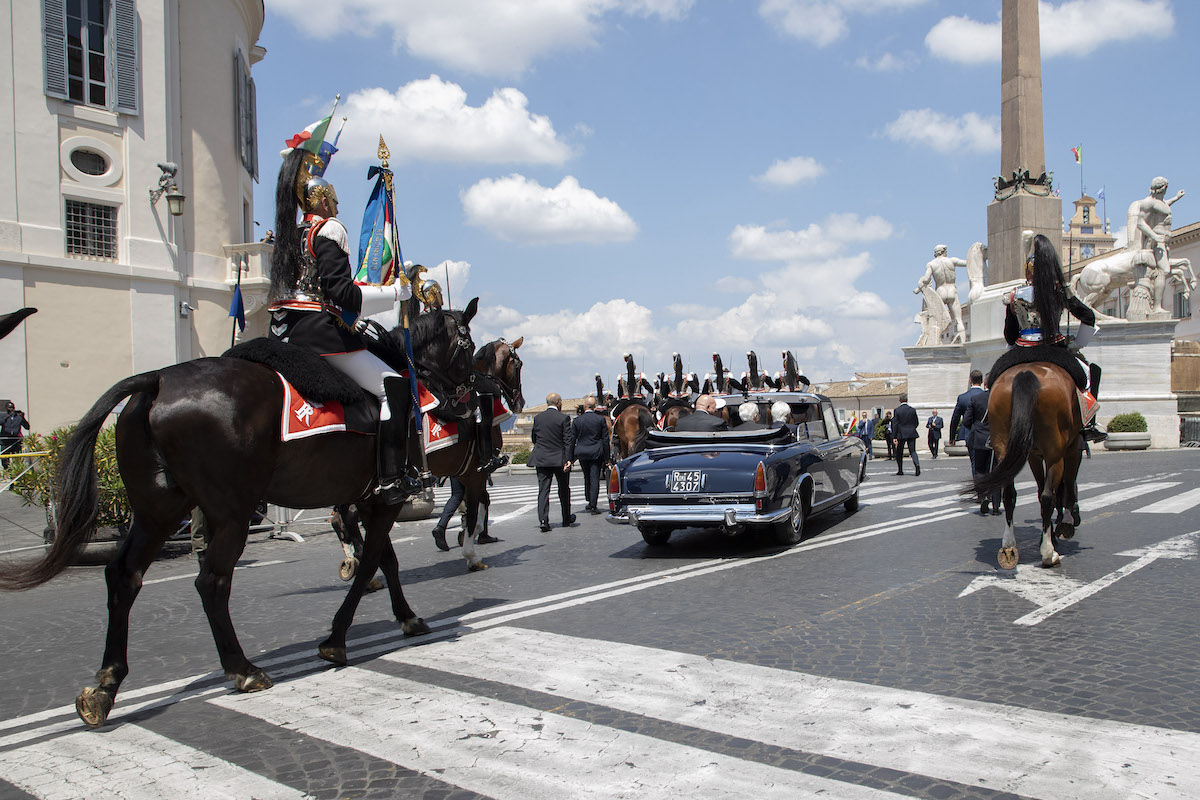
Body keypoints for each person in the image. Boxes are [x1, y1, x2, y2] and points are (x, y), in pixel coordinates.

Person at [266, 139, 419, 505]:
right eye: (333, 199)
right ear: (322, 202)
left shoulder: (292, 235)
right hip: (320, 336)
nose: (338, 205)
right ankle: (391, 476)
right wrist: (397, 294)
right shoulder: (329, 230)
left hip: (284, 332)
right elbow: (343, 297)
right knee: (393, 388)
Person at [1003, 233, 1106, 442]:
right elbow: (1088, 315)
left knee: (996, 378)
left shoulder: (1014, 295)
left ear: (1027, 272)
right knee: (1086, 373)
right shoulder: (1059, 291)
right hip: (1053, 347)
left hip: (1022, 348)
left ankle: (991, 423)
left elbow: (1009, 334)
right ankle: (1088, 422)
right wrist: (1077, 343)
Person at [1128, 176, 1186, 314]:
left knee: (1163, 271)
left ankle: (1157, 305)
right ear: (1164, 187)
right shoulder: (1148, 202)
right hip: (1155, 242)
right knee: (1164, 271)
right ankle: (1157, 306)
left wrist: (1176, 198)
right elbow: (1140, 223)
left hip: (1164, 242)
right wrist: (1154, 236)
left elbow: (1163, 206)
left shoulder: (1161, 202)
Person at [529, 392, 575, 532]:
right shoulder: (564, 418)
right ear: (559, 403)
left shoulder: (538, 418)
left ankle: (543, 520)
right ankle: (566, 518)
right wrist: (568, 459)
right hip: (559, 459)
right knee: (563, 489)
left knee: (543, 490)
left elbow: (534, 438)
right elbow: (568, 441)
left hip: (541, 458)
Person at [914, 244, 969, 343]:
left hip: (940, 292)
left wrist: (918, 289)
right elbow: (967, 263)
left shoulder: (931, 264)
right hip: (952, 290)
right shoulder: (952, 261)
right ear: (944, 252)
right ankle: (964, 343)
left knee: (936, 320)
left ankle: (934, 341)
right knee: (958, 319)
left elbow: (926, 279)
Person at [963, 380, 1001, 515]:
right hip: (998, 439)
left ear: (985, 384)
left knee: (979, 469)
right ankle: (996, 506)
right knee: (996, 471)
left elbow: (966, 421)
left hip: (979, 438)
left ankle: (983, 496)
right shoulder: (1003, 397)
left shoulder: (976, 399)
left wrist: (977, 429)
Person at [431, 476, 499, 550]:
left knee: (456, 496)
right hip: (471, 469)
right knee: (481, 496)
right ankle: (480, 534)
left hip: (455, 468)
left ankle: (441, 526)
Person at [570, 395, 611, 514]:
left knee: (586, 477)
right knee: (594, 478)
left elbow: (572, 440)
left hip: (582, 452)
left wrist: (571, 458)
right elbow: (605, 440)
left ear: (584, 406)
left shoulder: (577, 420)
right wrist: (607, 458)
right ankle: (593, 504)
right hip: (596, 452)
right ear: (594, 407)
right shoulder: (600, 420)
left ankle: (589, 499)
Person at [950, 370, 985, 474]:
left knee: (974, 463)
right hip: (986, 434)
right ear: (982, 381)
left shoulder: (962, 397)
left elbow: (955, 418)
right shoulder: (988, 395)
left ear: (970, 380)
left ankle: (978, 485)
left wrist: (952, 436)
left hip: (970, 434)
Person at [891, 393, 920, 476]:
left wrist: (894, 436)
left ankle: (900, 470)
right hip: (911, 432)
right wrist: (912, 428)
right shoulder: (912, 410)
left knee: (899, 452)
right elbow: (916, 422)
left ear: (899, 400)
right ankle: (917, 465)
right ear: (907, 400)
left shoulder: (897, 410)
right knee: (913, 451)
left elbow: (895, 424)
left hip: (901, 433)